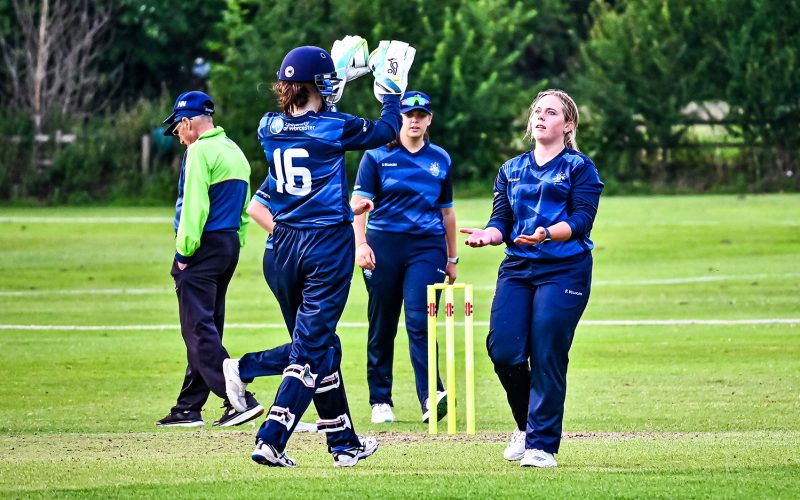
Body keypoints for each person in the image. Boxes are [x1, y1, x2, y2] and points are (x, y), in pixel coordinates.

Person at [222, 41, 415, 468]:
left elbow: (308, 117)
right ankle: (270, 435)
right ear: (318, 85)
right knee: (309, 352)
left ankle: (343, 443)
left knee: (322, 347)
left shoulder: (267, 125)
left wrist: (330, 87)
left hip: (281, 247)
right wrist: (393, 89)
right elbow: (386, 132)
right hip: (324, 246)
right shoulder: (333, 127)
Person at [460, 89, 603, 468]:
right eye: (537, 111)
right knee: (504, 350)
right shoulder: (510, 170)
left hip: (565, 268)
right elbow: (501, 222)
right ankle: (525, 427)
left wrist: (545, 233)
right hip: (518, 268)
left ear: (568, 125)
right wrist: (488, 235)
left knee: (546, 352)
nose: (540, 117)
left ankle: (542, 446)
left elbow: (581, 221)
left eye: (551, 112)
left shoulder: (580, 168)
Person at [156, 91, 264, 428]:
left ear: (187, 122)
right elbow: (246, 205)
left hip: (203, 244)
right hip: (228, 243)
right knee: (208, 327)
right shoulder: (234, 151)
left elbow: (194, 207)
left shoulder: (199, 151)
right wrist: (237, 242)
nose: (178, 138)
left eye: (177, 130)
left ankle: (239, 399)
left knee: (197, 328)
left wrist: (184, 251)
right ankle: (188, 407)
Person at [350, 91, 457, 424]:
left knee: (420, 319)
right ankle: (380, 399)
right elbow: (358, 205)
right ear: (399, 118)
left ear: (429, 120)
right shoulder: (376, 156)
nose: (414, 120)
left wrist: (453, 259)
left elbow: (448, 214)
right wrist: (360, 244)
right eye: (408, 114)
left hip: (427, 247)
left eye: (420, 115)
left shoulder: (440, 158)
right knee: (382, 323)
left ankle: (431, 397)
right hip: (383, 246)